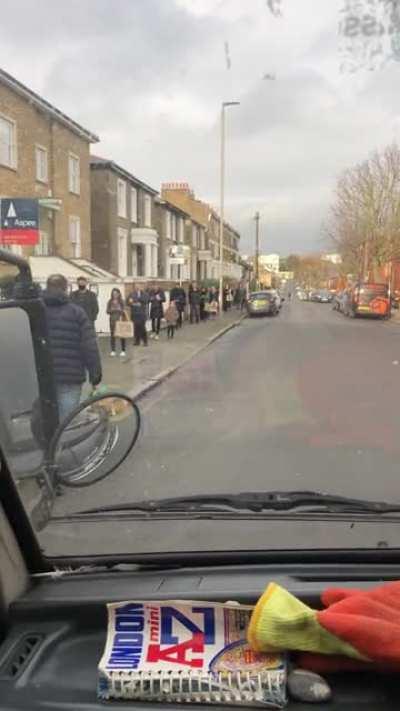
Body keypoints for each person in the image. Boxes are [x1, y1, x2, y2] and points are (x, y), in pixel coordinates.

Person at [42, 274, 102, 422]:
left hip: (43, 375)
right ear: (65, 288)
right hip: (70, 375)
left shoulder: (37, 311)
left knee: (46, 420)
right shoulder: (76, 313)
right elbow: (89, 346)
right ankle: (63, 444)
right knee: (67, 421)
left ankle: (50, 443)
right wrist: (95, 375)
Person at [106, 288, 126, 357]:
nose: (115, 295)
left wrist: (120, 310)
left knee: (122, 335)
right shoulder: (110, 301)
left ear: (119, 294)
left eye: (116, 293)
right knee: (112, 336)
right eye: (113, 293)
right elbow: (107, 311)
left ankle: (123, 350)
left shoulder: (122, 301)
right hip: (112, 320)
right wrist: (113, 309)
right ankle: (113, 351)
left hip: (120, 320)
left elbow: (124, 311)